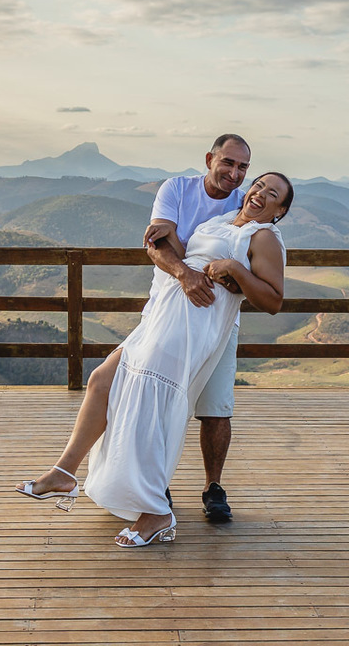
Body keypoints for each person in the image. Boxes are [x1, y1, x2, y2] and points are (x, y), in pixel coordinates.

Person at [15, 172, 294, 547]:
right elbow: (175, 246)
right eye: (258, 185)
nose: (259, 192)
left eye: (271, 194)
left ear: (280, 210)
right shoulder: (223, 220)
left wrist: (237, 271)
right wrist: (167, 244)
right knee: (103, 379)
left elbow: (274, 300)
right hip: (163, 312)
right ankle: (63, 472)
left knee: (151, 407)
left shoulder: (264, 237)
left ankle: (156, 512)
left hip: (193, 325)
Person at [143, 134, 251, 523]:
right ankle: (157, 484)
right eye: (228, 163)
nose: (234, 173)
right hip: (168, 314)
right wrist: (185, 273)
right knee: (160, 402)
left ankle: (213, 487)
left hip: (220, 321)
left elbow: (248, 265)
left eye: (242, 168)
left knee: (217, 408)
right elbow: (156, 243)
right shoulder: (177, 189)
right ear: (209, 159)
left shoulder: (245, 204)